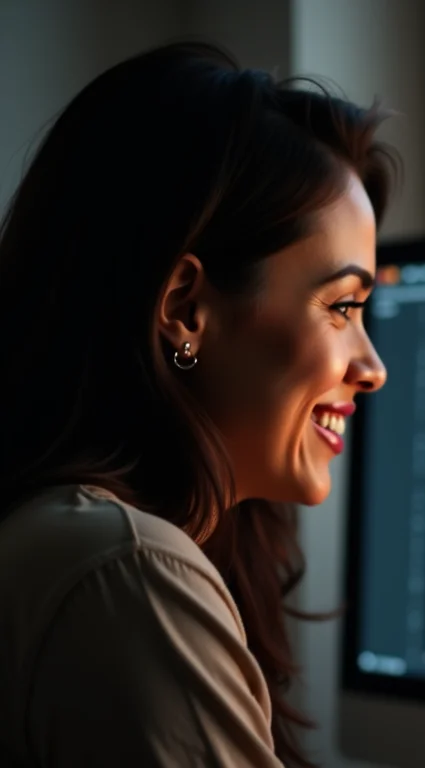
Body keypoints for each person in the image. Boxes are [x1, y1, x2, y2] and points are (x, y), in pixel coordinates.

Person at [0, 41, 393, 767]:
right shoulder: (126, 576)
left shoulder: (72, 540)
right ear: (185, 307)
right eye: (342, 307)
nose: (373, 369)